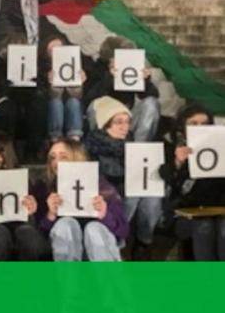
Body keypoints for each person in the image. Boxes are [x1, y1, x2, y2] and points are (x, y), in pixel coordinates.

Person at [84, 96, 162, 260]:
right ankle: (116, 241)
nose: (125, 127)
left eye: (127, 122)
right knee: (133, 193)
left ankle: (143, 243)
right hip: (107, 200)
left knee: (152, 195)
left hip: (129, 195)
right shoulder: (91, 145)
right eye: (119, 122)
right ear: (106, 124)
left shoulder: (133, 145)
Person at [32, 138, 128, 261]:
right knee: (65, 224)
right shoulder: (43, 187)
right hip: (64, 253)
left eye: (63, 157)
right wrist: (50, 215)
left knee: (94, 228)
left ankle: (108, 279)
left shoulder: (102, 186)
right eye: (52, 158)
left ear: (77, 158)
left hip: (97, 252)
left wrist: (105, 215)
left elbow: (123, 230)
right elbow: (40, 236)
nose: (56, 162)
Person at [0, 132, 50, 260]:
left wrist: (31, 206)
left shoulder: (21, 176)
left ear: (1, 157)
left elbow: (32, 213)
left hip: (20, 225)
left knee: (27, 234)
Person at [159, 104, 225, 260]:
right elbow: (169, 183)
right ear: (183, 126)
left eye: (204, 124)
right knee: (204, 227)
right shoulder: (170, 148)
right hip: (185, 215)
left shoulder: (220, 149)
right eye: (193, 124)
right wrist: (178, 162)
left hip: (220, 211)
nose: (199, 128)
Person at [84, 36, 160, 142]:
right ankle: (102, 147)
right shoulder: (97, 69)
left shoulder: (131, 69)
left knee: (151, 103)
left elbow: (152, 97)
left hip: (127, 118)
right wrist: (109, 78)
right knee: (94, 106)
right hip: (105, 120)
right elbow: (89, 101)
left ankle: (138, 150)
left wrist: (145, 81)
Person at [38, 34, 88, 142]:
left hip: (72, 105)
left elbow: (77, 96)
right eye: (52, 50)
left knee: (74, 102)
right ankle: (55, 138)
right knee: (56, 103)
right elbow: (49, 97)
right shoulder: (42, 70)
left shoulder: (75, 64)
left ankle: (75, 138)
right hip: (51, 108)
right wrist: (52, 84)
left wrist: (79, 82)